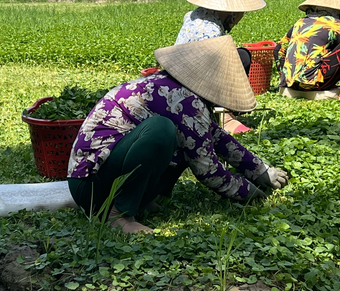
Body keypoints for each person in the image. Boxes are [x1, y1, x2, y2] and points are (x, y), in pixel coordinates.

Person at [67, 35, 289, 234]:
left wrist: (261, 170)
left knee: (188, 138)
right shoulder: (184, 100)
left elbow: (214, 136)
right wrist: (249, 192)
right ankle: (118, 215)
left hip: (103, 176)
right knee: (160, 130)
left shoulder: (176, 90)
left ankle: (141, 198)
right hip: (91, 186)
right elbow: (207, 169)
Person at [175, 0, 266, 133]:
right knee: (242, 57)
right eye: (240, 13)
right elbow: (216, 71)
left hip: (178, 72)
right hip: (195, 83)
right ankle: (224, 112)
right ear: (231, 13)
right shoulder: (213, 32)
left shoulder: (191, 15)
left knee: (240, 53)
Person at [275, 0, 340, 100]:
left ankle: (288, 81)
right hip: (315, 83)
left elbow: (278, 49)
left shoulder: (299, 23)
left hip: (290, 84)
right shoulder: (336, 24)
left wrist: (286, 76)